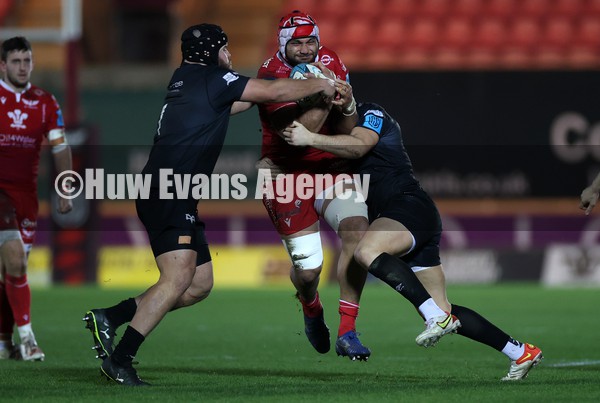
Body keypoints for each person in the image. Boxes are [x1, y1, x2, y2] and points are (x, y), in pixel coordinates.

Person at [82, 23, 338, 386]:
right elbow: (272, 90)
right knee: (178, 278)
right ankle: (121, 360)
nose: (229, 56)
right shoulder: (213, 79)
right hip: (170, 189)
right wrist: (320, 84)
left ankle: (110, 316)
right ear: (210, 52)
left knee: (199, 283)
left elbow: (246, 100)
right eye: (225, 48)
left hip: (168, 189)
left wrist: (281, 91)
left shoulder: (186, 78)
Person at [282, 96, 544, 381]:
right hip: (412, 217)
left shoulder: (372, 113)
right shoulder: (332, 134)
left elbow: (359, 146)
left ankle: (436, 317)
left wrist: (308, 136)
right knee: (443, 306)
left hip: (407, 207)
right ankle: (519, 352)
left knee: (366, 250)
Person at [256, 10, 371, 360]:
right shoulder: (270, 76)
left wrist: (347, 101)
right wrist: (324, 93)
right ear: (283, 46)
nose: (306, 50)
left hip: (329, 167)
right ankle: (311, 307)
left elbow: (346, 127)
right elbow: (297, 135)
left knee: (356, 230)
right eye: (297, 43)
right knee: (308, 273)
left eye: (310, 42)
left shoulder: (330, 60)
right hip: (284, 174)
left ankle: (348, 331)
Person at [0, 36, 73, 361]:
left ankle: (4, 342)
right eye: (15, 61)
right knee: (14, 259)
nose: (22, 67)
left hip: (26, 197)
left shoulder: (45, 101)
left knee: (13, 269)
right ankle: (28, 339)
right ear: (3, 65)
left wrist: (64, 186)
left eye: (27, 60)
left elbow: (59, 146)